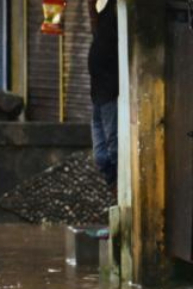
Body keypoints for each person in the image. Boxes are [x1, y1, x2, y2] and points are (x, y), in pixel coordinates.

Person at [88, 0, 118, 187]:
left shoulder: (114, 11)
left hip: (109, 93)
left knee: (112, 148)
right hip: (97, 93)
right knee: (100, 156)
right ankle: (113, 184)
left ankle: (117, 185)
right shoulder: (100, 12)